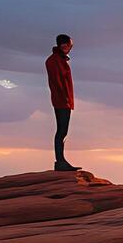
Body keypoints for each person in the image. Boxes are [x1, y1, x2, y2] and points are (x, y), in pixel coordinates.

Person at [46, 34, 78, 171]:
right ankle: (60, 162)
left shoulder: (59, 60)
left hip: (64, 100)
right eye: (69, 45)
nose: (70, 48)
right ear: (64, 45)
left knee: (63, 131)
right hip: (61, 101)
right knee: (61, 131)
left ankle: (61, 161)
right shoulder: (54, 61)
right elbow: (57, 82)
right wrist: (65, 98)